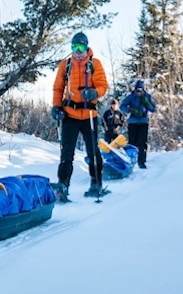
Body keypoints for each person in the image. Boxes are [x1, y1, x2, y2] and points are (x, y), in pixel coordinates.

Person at [50, 32, 108, 200]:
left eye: (81, 47)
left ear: (87, 46)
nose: (78, 51)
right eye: (74, 47)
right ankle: (63, 184)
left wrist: (95, 92)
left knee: (92, 151)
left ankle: (96, 182)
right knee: (66, 152)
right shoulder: (65, 65)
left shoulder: (94, 64)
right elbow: (58, 88)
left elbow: (103, 85)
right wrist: (56, 107)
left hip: (89, 114)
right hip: (70, 115)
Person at [120, 80, 156, 169]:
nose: (139, 92)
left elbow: (153, 109)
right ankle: (131, 160)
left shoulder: (147, 97)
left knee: (142, 143)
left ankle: (142, 161)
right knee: (132, 142)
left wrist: (146, 103)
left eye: (140, 90)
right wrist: (131, 110)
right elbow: (122, 106)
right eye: (137, 90)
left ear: (143, 90)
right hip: (133, 122)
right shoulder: (131, 97)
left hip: (143, 122)